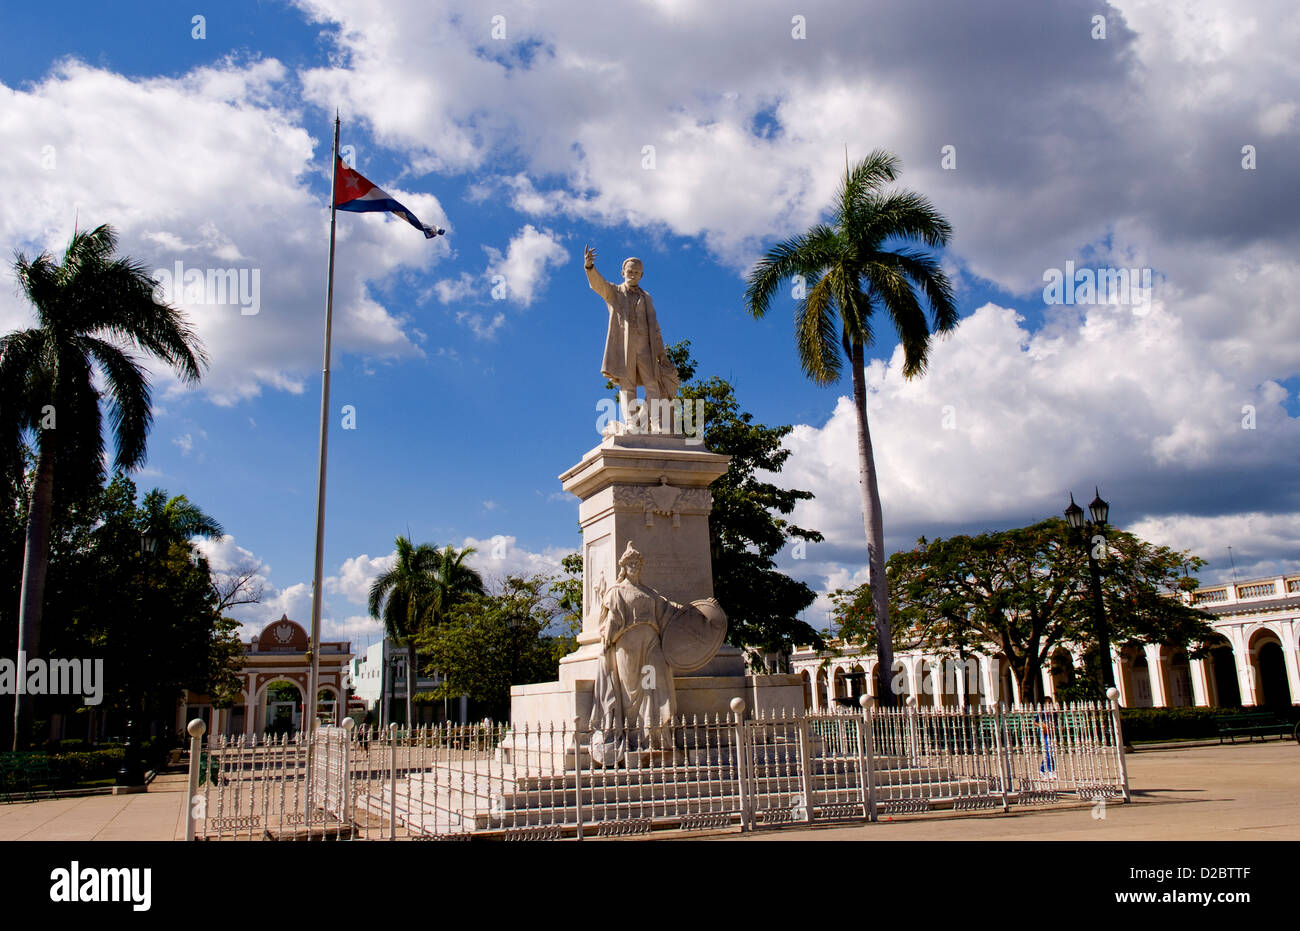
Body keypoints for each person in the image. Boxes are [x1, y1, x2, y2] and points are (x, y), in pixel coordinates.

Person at [589, 543, 678, 762]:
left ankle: (650, 733)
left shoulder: (650, 593)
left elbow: (671, 612)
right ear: (623, 567)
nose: (635, 567)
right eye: (630, 563)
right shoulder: (616, 592)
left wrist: (698, 611)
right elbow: (610, 622)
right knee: (631, 691)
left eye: (637, 563)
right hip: (627, 647)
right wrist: (606, 643)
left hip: (650, 646)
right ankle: (633, 734)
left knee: (650, 687)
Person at [583, 246, 680, 427]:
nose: (633, 274)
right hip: (624, 346)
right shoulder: (615, 292)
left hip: (646, 347)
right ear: (623, 272)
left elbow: (656, 328)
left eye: (637, 272)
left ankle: (657, 421)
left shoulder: (647, 298)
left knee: (653, 383)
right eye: (630, 271)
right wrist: (590, 267)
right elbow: (599, 285)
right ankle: (631, 422)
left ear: (642, 275)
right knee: (627, 385)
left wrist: (662, 354)